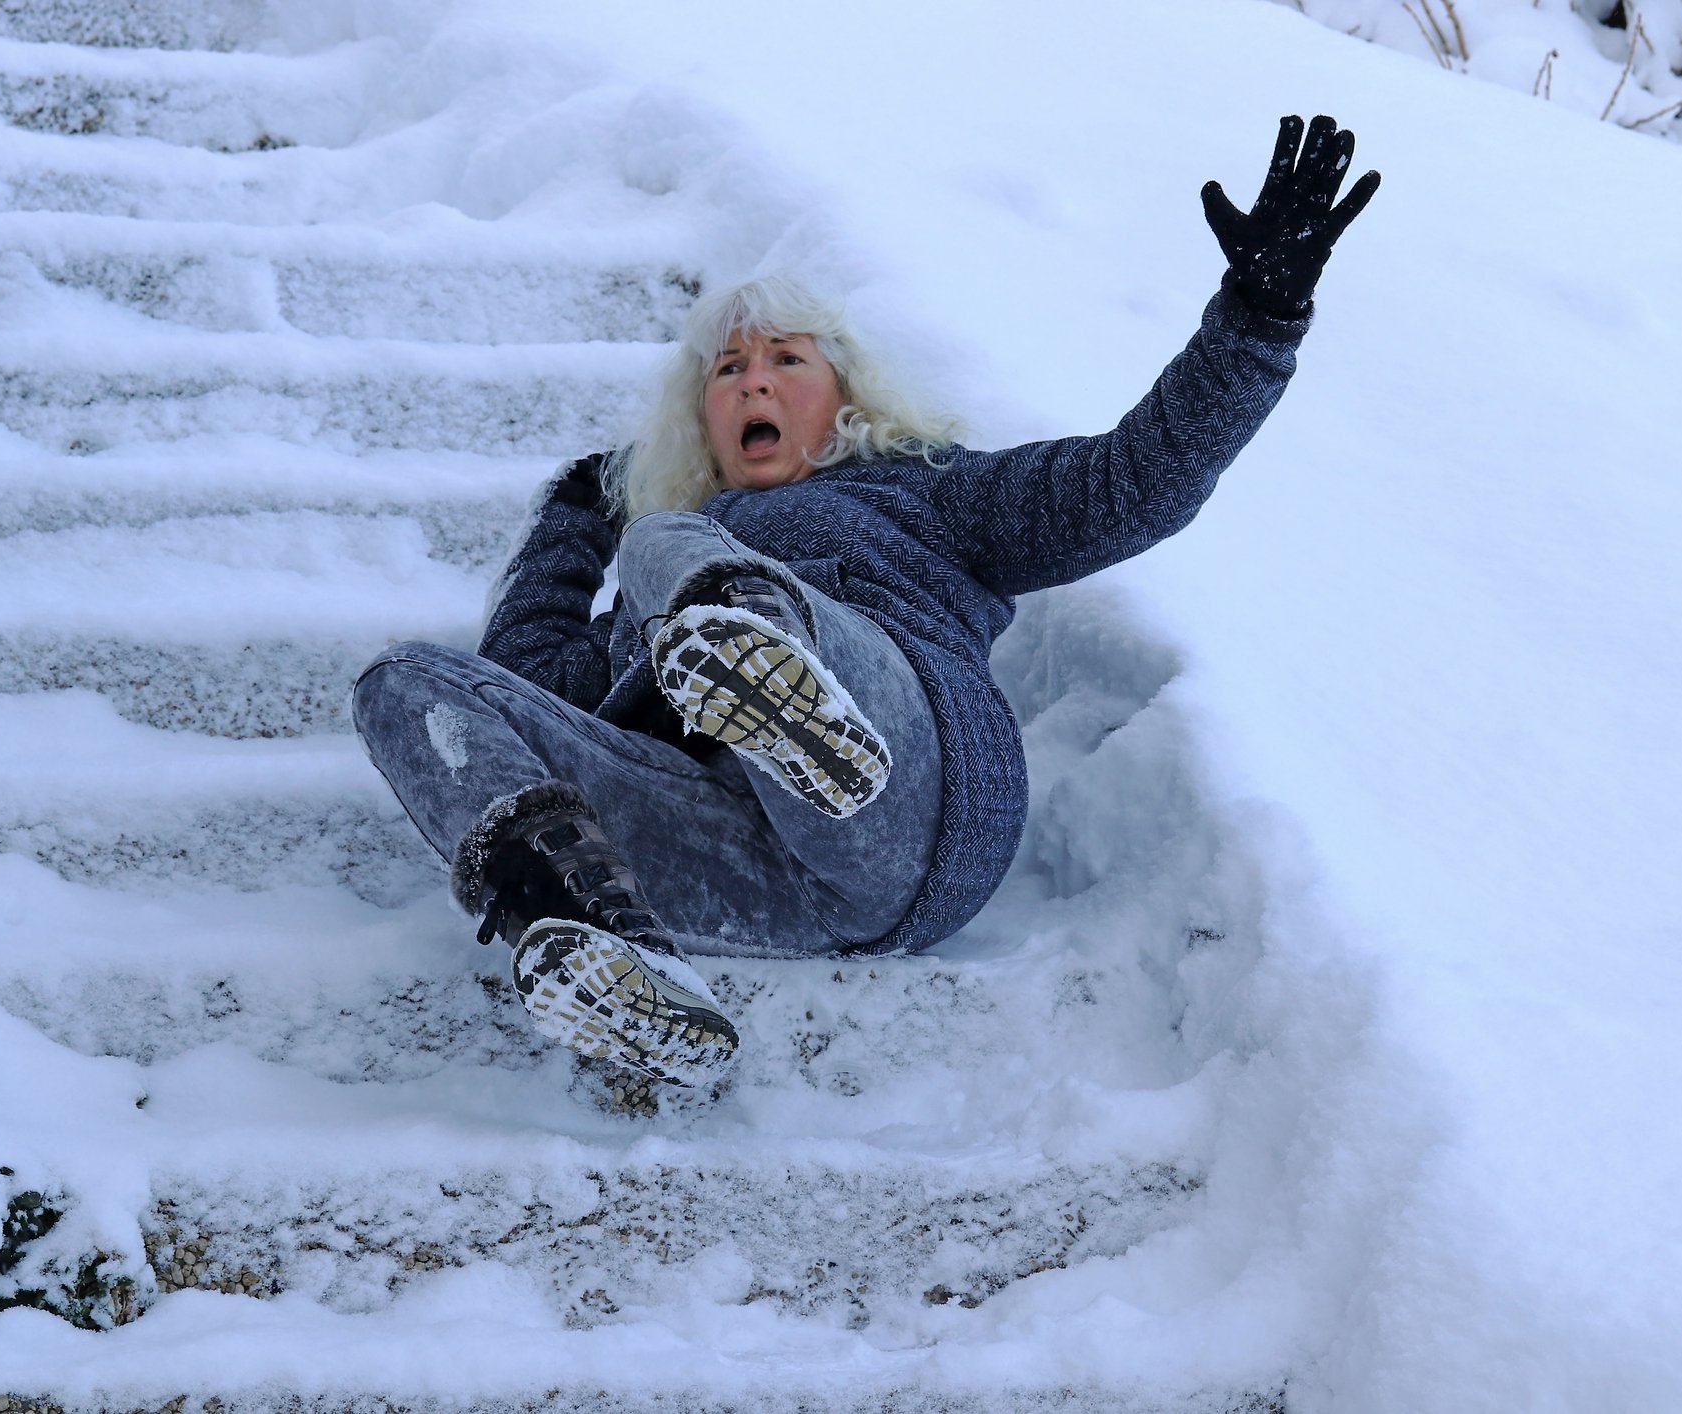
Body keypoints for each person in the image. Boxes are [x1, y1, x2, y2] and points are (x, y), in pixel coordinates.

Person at [353, 114, 1380, 1088]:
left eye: (785, 359)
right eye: (727, 370)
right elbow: (524, 689)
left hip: (909, 800)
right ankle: (600, 937)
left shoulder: (927, 489)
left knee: (677, 541)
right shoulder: (646, 592)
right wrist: (577, 517)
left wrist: (1257, 320)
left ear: (843, 396)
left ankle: (784, 687)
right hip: (745, 867)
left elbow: (1132, 483)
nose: (754, 383)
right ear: (700, 419)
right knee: (404, 684)